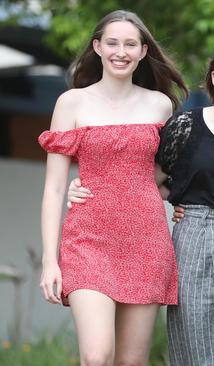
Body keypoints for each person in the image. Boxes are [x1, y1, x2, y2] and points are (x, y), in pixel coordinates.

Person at [68, 36, 214, 365]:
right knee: (197, 353)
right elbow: (144, 176)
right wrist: (88, 185)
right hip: (194, 241)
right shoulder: (185, 127)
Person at [39, 10, 187, 366]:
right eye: (112, 43)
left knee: (131, 362)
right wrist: (48, 261)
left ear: (142, 52)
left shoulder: (160, 104)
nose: (121, 51)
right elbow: (55, 189)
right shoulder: (71, 102)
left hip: (145, 240)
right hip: (88, 239)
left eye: (130, 44)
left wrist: (180, 199)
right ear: (98, 47)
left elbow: (164, 175)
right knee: (97, 355)